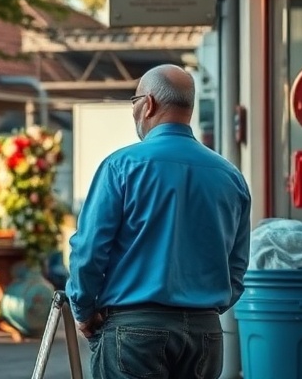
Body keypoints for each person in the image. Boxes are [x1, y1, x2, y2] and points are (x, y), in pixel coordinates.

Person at [67, 65, 251, 379]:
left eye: (134, 101)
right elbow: (237, 264)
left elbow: (89, 250)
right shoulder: (230, 176)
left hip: (135, 331)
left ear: (148, 103)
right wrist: (203, 306)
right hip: (205, 334)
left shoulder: (121, 166)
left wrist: (83, 309)